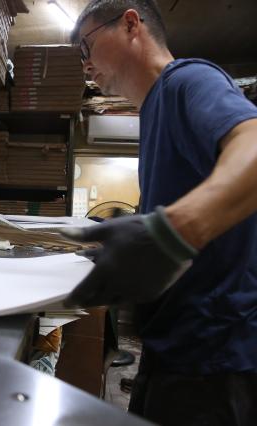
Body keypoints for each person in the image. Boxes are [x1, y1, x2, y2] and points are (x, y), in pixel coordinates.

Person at [60, 1, 257, 425]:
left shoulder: (188, 80)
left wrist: (171, 233)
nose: (86, 66)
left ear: (131, 23)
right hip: (172, 350)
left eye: (87, 48)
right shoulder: (153, 109)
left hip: (214, 360)